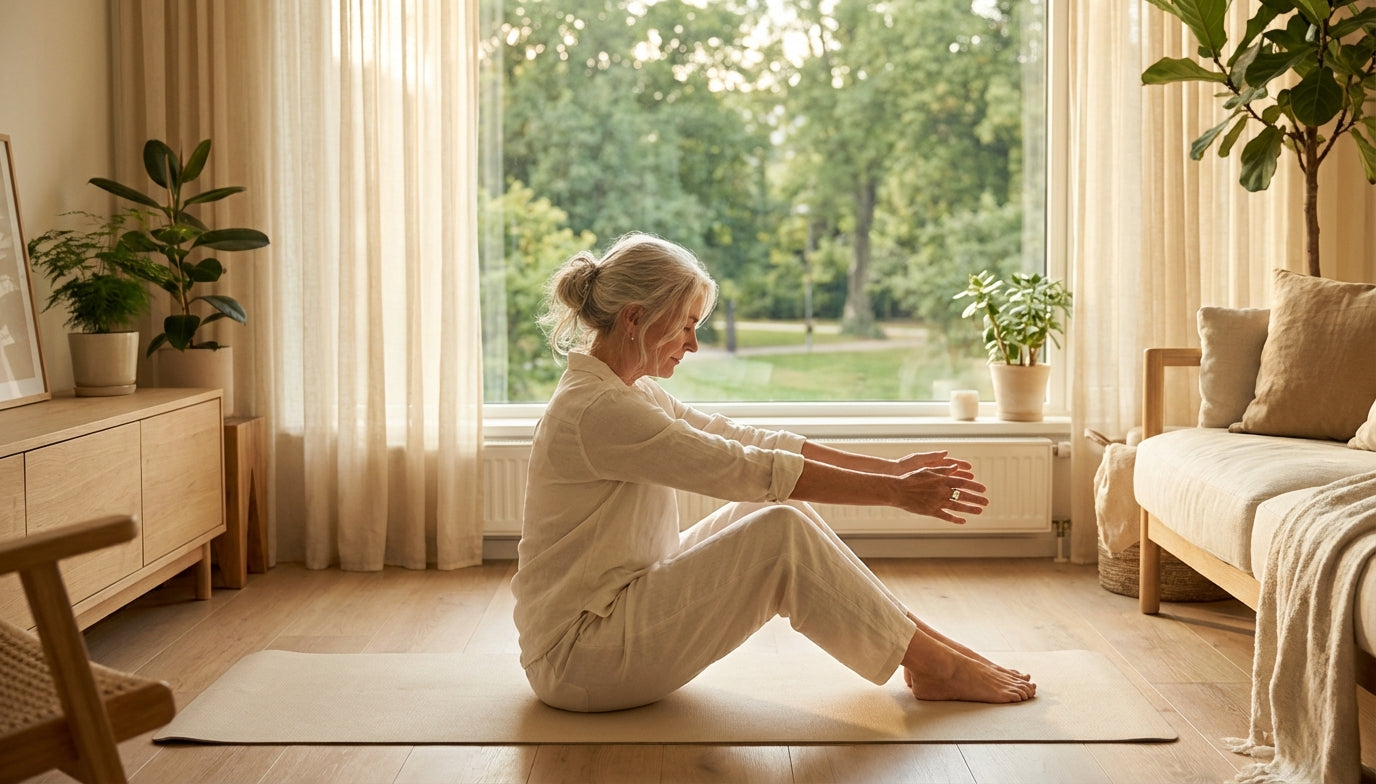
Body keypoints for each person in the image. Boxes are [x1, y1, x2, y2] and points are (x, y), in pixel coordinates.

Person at [511, 232, 1036, 713]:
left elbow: (747, 441)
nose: (693, 344)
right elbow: (744, 467)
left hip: (613, 613)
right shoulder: (599, 410)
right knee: (779, 533)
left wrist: (890, 470)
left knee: (781, 509)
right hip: (580, 658)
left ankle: (928, 653)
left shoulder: (627, 389)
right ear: (633, 318)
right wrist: (894, 493)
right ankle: (935, 664)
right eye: (687, 325)